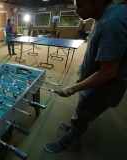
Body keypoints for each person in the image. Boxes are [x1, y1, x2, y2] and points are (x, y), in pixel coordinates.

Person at [44, 0, 127, 153]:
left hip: (102, 90)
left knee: (82, 117)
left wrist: (71, 89)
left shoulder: (113, 23)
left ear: (98, 1)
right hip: (93, 83)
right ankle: (74, 125)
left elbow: (108, 72)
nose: (76, 11)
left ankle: (64, 143)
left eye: (80, 5)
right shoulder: (100, 17)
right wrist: (83, 76)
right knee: (81, 111)